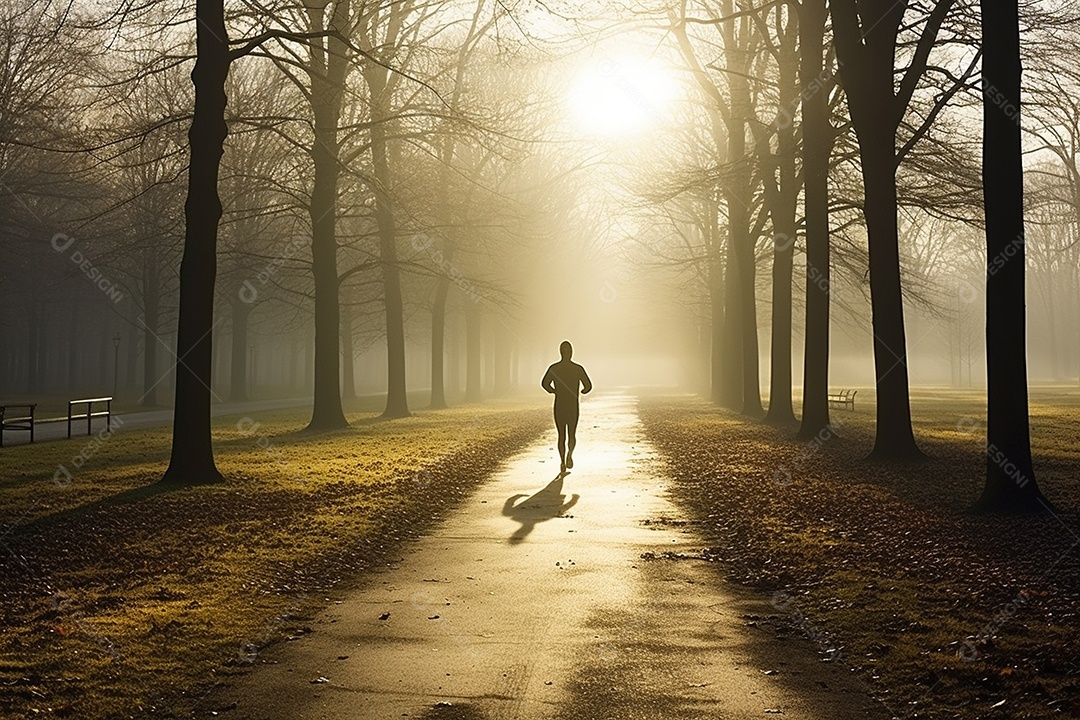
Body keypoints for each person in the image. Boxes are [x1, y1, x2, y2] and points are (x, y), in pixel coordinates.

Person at [541, 341, 592, 473]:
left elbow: (544, 383)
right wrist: (582, 391)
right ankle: (570, 454)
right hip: (573, 405)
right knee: (572, 434)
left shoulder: (554, 368)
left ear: (560, 352)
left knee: (561, 435)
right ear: (571, 352)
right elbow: (588, 386)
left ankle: (562, 461)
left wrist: (554, 391)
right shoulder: (577, 368)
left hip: (559, 405)